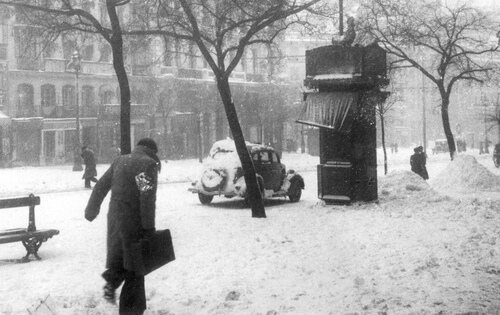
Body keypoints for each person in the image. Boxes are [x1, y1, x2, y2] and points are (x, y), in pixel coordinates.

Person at [84, 138, 161, 315]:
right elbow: (146, 198)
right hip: (134, 222)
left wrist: (91, 210)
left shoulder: (121, 160)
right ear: (152, 151)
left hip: (115, 219)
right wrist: (149, 229)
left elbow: (101, 186)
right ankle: (131, 311)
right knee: (135, 268)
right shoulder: (147, 164)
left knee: (121, 258)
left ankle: (112, 281)